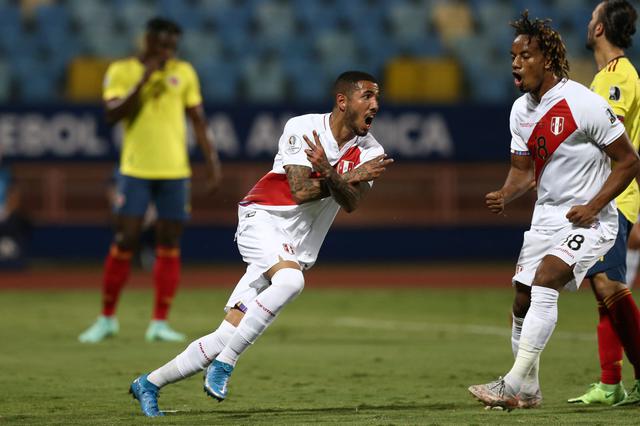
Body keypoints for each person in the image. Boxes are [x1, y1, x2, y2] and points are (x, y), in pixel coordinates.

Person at [128, 71, 393, 417]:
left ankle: (149, 383)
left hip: (293, 249)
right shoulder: (303, 128)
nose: (375, 104)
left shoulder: (371, 151)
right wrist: (341, 177)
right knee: (291, 281)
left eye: (377, 98)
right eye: (367, 97)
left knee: (227, 333)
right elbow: (299, 191)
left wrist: (331, 174)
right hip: (262, 220)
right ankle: (226, 364)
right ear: (343, 102)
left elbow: (351, 202)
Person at [468, 11, 640, 410]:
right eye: (512, 55)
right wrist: (505, 194)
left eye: (524, 55)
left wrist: (594, 204)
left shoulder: (585, 103)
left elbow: (629, 161)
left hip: (593, 219)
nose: (515, 62)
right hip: (545, 218)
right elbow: (521, 171)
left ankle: (511, 383)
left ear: (546, 58)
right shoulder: (519, 112)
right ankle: (529, 389)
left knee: (547, 281)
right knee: (522, 299)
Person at [78, 17, 222, 343]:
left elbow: (198, 119)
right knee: (126, 238)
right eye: (162, 44)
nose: (167, 50)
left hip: (174, 170)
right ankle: (107, 318)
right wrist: (144, 79)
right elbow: (113, 113)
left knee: (169, 243)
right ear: (147, 41)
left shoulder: (184, 72)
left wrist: (212, 161)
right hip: (135, 169)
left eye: (172, 45)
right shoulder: (121, 70)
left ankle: (159, 322)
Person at [567, 0, 640, 407]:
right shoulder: (604, 77)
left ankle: (625, 378)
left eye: (593, 16)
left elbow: (606, 139)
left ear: (599, 30)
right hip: (605, 197)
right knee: (603, 290)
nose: (588, 21)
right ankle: (610, 383)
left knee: (608, 283)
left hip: (614, 199)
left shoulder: (617, 78)